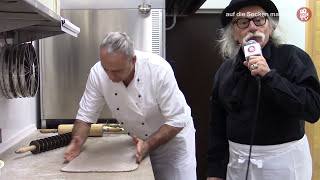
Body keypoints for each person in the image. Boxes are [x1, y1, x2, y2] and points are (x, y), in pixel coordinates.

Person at [207, 0, 320, 180]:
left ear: (271, 27)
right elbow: (217, 128)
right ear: (233, 33)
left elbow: (312, 110)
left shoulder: (293, 57)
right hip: (238, 164)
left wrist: (270, 76)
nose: (252, 27)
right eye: (243, 22)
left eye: (259, 20)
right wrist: (215, 172)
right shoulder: (224, 71)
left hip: (284, 164)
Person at [64, 32, 197, 180]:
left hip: (173, 144)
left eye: (116, 71)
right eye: (105, 69)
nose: (110, 76)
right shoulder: (98, 73)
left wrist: (148, 144)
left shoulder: (158, 69)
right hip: (139, 144)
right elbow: (85, 115)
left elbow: (176, 120)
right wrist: (77, 140)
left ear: (133, 60)